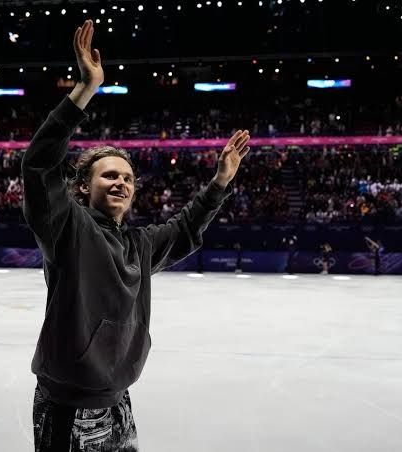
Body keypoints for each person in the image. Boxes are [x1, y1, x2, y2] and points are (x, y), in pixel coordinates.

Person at [22, 20, 251, 452]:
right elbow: (38, 166)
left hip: (118, 400)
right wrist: (85, 90)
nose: (121, 183)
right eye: (109, 175)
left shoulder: (139, 245)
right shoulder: (67, 228)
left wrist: (220, 181)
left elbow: (185, 228)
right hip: (69, 405)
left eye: (127, 178)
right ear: (82, 187)